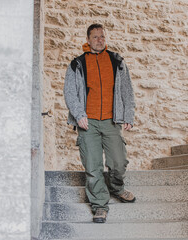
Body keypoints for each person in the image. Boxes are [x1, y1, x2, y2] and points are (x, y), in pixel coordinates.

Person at [64, 23, 136, 223]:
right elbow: (70, 93)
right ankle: (99, 206)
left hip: (112, 121)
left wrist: (128, 114)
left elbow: (127, 91)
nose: (99, 40)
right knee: (93, 167)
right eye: (95, 37)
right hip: (88, 123)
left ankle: (116, 188)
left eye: (102, 36)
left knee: (119, 162)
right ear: (88, 40)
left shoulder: (116, 61)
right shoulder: (77, 64)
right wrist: (79, 115)